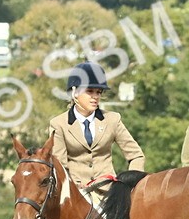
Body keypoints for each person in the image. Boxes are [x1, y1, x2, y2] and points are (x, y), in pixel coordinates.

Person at [47, 62, 145, 203]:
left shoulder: (112, 119)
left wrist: (129, 186)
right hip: (76, 197)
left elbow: (136, 156)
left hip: (109, 195)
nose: (95, 97)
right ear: (74, 92)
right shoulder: (59, 124)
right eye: (90, 91)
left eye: (98, 92)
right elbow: (60, 166)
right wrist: (73, 188)